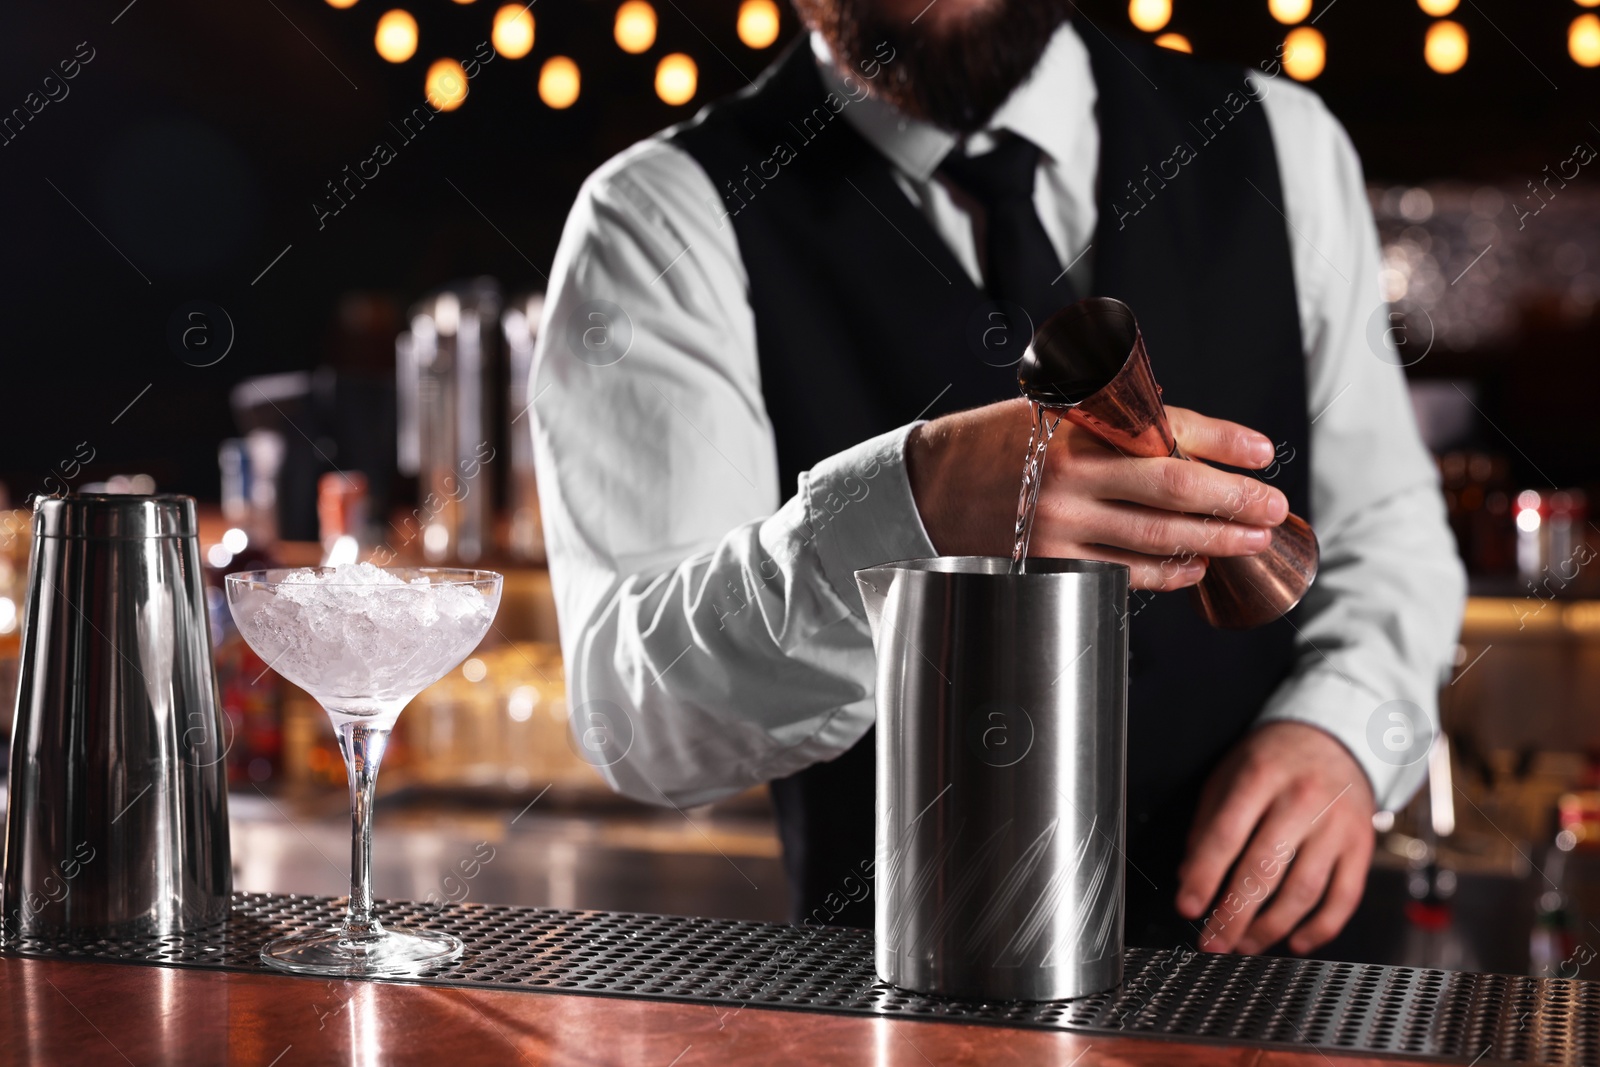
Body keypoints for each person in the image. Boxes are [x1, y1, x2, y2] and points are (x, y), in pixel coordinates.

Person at [529, 0, 1465, 954]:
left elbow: (1389, 534)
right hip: (901, 1002)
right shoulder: (658, 216)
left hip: (1263, 993)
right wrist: (905, 508)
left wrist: (1343, 729)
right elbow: (636, 713)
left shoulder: (1283, 141)